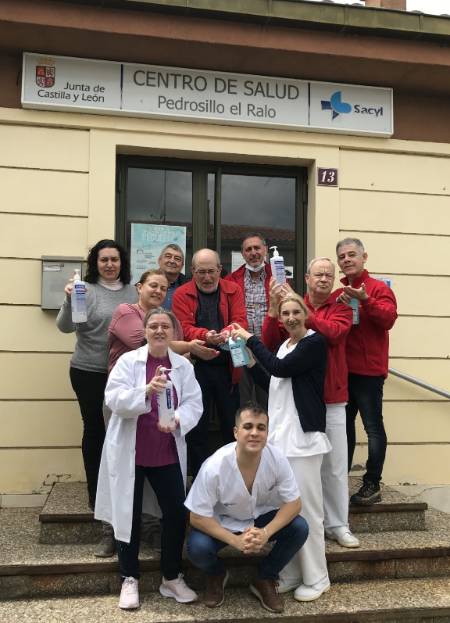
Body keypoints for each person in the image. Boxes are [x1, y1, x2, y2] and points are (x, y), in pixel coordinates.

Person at [95, 307, 202, 610]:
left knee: (176, 513)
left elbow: (195, 403)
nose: (159, 331)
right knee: (127, 513)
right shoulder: (128, 362)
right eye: (153, 326)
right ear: (144, 331)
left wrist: (178, 419)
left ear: (174, 332)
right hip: (131, 451)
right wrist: (145, 390)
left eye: (165, 326)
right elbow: (113, 398)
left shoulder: (183, 366)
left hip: (165, 451)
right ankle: (129, 577)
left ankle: (171, 576)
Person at [232, 293, 332, 602]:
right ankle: (291, 573)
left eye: (295, 312)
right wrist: (246, 358)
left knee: (309, 511)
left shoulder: (314, 343)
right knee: (286, 511)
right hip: (282, 440)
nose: (290, 318)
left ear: (306, 314)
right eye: (285, 313)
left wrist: (250, 339)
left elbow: (280, 368)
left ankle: (317, 577)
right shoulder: (285, 346)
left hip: (303, 442)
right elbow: (272, 381)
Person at [262, 260, 359, 548]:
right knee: (298, 470)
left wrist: (301, 312)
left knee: (335, 466)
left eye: (329, 274)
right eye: (319, 274)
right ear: (307, 278)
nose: (324, 279)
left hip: (332, 398)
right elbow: (271, 343)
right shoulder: (291, 306)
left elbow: (334, 334)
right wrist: (274, 309)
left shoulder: (342, 306)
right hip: (298, 403)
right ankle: (297, 525)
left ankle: (338, 524)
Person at [186, 403, 308, 614]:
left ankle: (265, 577)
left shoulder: (277, 458)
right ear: (236, 432)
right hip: (223, 522)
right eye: (248, 426)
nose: (254, 433)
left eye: (261, 428)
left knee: (299, 528)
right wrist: (235, 541)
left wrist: (265, 533)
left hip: (260, 518)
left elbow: (294, 503)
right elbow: (196, 516)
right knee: (197, 548)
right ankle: (216, 574)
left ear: (267, 433)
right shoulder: (214, 466)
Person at [56, 239, 137, 556]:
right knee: (96, 432)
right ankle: (96, 496)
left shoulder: (132, 292)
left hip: (124, 373)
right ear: (95, 263)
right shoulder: (83, 290)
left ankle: (125, 497)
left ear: (122, 262)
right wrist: (67, 301)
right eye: (104, 260)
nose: (109, 265)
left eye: (114, 259)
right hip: (89, 372)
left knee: (123, 435)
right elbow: (65, 328)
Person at [172, 248, 248, 477]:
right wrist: (206, 335)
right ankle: (199, 478)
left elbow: (240, 321)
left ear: (220, 270)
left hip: (229, 367)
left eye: (211, 271)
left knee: (231, 425)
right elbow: (182, 328)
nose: (207, 277)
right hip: (196, 367)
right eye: (201, 272)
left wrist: (226, 333)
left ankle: (233, 476)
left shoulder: (233, 290)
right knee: (197, 426)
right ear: (192, 271)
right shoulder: (182, 294)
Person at [335, 238, 398, 505]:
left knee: (372, 427)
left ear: (364, 257)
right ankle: (340, 479)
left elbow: (388, 320)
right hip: (343, 372)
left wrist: (365, 300)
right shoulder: (339, 293)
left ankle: (372, 482)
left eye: (352, 255)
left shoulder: (377, 288)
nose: (347, 260)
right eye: (342, 257)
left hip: (369, 372)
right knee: (343, 428)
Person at [108, 268, 218, 373]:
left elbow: (176, 357)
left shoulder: (171, 319)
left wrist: (198, 353)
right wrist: (189, 346)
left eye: (163, 289)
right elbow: (150, 345)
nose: (158, 291)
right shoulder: (125, 311)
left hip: (163, 382)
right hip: (129, 381)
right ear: (139, 287)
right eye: (153, 286)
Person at [225, 233, 271, 407]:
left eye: (257, 248)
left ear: (265, 250)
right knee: (243, 400)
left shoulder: (278, 277)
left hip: (267, 348)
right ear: (243, 254)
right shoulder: (231, 280)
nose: (253, 253)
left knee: (267, 398)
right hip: (240, 347)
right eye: (248, 249)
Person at [158, 243, 189, 310]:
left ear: (182, 266)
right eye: (168, 256)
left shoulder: (189, 288)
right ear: (159, 260)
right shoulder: (146, 283)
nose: (172, 261)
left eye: (177, 259)